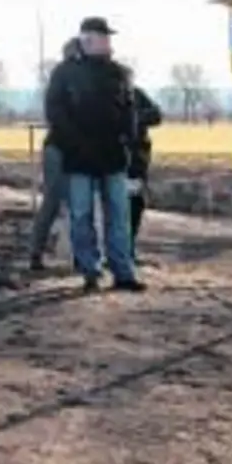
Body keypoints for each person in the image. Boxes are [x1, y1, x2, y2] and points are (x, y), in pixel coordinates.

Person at [44, 17, 147, 293]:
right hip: (79, 157)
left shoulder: (119, 73)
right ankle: (90, 270)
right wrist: (73, 142)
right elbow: (55, 111)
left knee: (119, 214)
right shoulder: (64, 73)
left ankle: (123, 271)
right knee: (81, 214)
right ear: (87, 39)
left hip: (113, 155)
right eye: (103, 37)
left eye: (107, 37)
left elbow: (129, 110)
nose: (108, 42)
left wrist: (129, 140)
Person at [28, 37, 83, 269]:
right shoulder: (67, 75)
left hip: (62, 145)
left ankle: (39, 252)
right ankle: (44, 252)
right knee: (64, 202)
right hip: (62, 147)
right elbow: (57, 113)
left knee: (55, 202)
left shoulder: (60, 75)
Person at [123, 65, 164, 251]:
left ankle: (129, 244)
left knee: (136, 203)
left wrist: (137, 118)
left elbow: (156, 115)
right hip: (119, 157)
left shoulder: (138, 95)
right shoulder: (109, 97)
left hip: (138, 158)